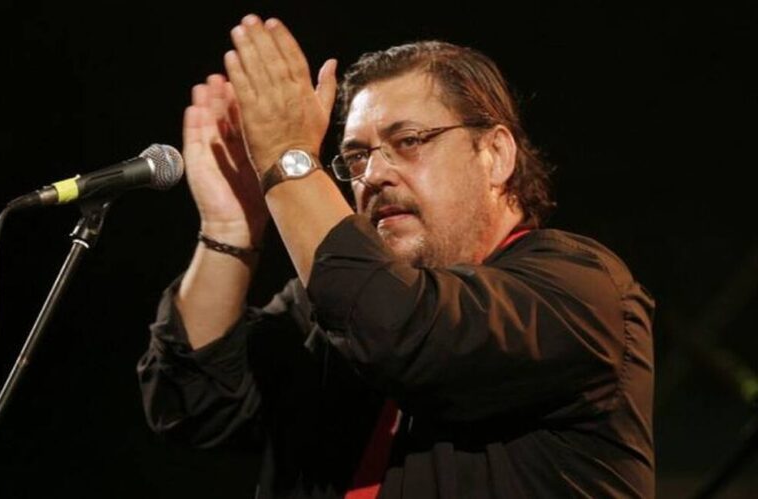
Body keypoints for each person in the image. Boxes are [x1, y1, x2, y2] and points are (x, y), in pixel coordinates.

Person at [137, 13, 655, 498]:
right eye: (356, 156)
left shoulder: (580, 290)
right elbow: (196, 404)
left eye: (408, 140)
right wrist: (229, 231)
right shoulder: (326, 309)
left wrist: (287, 159)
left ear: (495, 154)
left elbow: (400, 329)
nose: (373, 175)